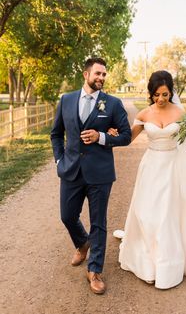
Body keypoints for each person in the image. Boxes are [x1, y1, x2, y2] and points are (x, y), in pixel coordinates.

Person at [112, 70, 186, 289]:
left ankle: (170, 264)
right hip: (151, 167)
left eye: (165, 94)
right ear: (151, 93)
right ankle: (148, 258)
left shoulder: (181, 113)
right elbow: (128, 138)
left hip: (174, 167)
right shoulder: (144, 114)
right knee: (148, 212)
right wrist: (113, 134)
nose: (161, 99)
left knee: (170, 213)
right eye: (156, 94)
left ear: (171, 92)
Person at [50, 57, 131, 294]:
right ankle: (82, 243)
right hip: (71, 170)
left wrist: (102, 137)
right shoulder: (66, 100)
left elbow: (125, 135)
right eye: (97, 73)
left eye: (104, 74)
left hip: (100, 173)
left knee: (99, 223)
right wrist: (59, 159)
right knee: (67, 215)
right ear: (86, 75)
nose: (101, 78)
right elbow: (56, 134)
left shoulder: (113, 104)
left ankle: (94, 270)